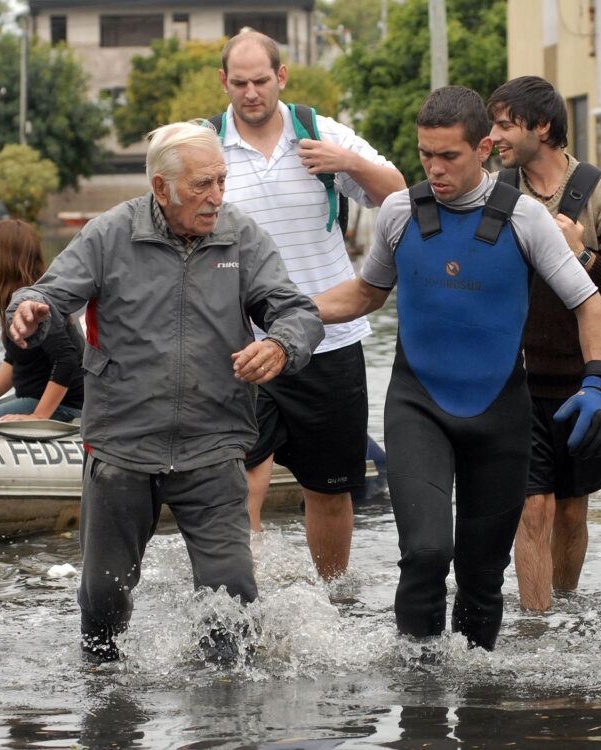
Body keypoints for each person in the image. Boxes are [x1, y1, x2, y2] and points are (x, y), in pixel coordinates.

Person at [7, 121, 324, 662]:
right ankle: (106, 706)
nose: (217, 197)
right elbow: (47, 294)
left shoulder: (241, 236)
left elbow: (296, 311)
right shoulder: (110, 234)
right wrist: (28, 310)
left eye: (221, 181)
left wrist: (281, 346)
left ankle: (224, 713)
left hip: (214, 443)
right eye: (202, 184)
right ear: (161, 187)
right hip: (122, 446)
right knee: (103, 601)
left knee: (234, 602)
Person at [313, 86, 601, 651]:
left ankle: (481, 706)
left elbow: (588, 301)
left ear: (482, 149)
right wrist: (293, 313)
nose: (434, 168)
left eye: (447, 155)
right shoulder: (401, 212)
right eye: (425, 154)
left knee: (481, 580)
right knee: (426, 553)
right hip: (418, 406)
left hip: (500, 416)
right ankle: (418, 694)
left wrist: (596, 379)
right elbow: (363, 295)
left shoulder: (526, 220)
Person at [217, 31, 407, 581]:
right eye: (239, 83)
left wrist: (346, 161)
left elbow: (396, 196)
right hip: (245, 342)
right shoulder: (207, 143)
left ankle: (331, 601)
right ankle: (240, 602)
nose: (250, 93)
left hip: (331, 339)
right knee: (242, 479)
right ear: (224, 83)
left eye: (260, 81)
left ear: (281, 77)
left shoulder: (321, 134)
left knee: (329, 488)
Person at [487, 76, 601, 612]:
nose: (495, 136)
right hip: (512, 384)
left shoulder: (600, 192)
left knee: (571, 513)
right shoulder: (493, 192)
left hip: (584, 386)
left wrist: (582, 255)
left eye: (505, 124)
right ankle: (537, 631)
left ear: (543, 127)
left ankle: (566, 608)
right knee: (532, 508)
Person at [0, 219, 84, 422]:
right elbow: (12, 361)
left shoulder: (37, 306)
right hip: (29, 397)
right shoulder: (17, 301)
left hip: (65, 407)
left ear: (2, 259)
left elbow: (66, 359)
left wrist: (38, 417)